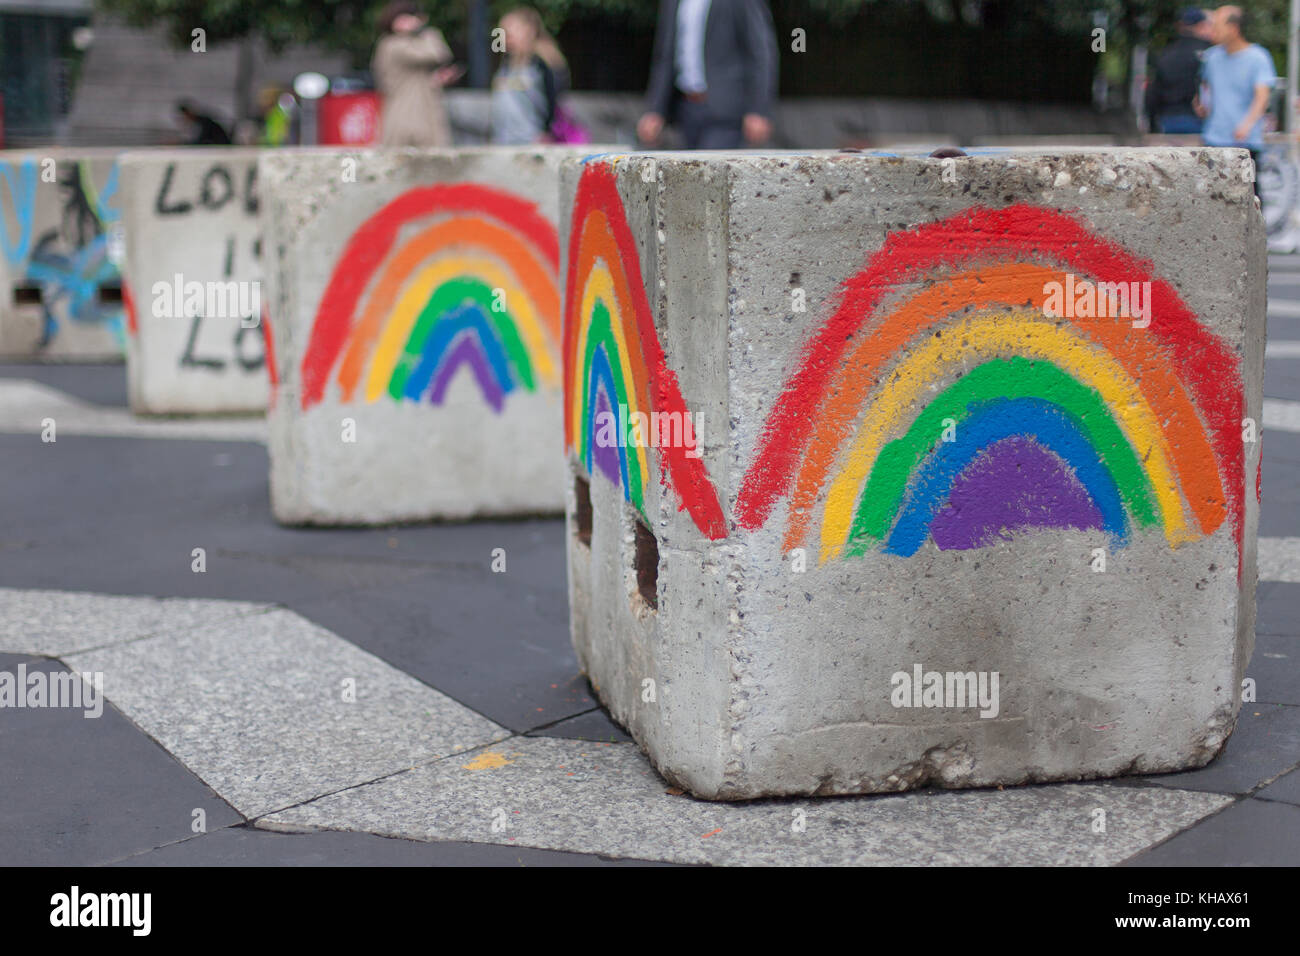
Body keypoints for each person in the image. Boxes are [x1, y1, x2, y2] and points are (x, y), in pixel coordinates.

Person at [637, 0, 779, 149]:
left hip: (725, 112)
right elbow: (664, 55)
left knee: (710, 169)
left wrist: (758, 109)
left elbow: (760, 53)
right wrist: (655, 110)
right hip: (685, 109)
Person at [1197, 5, 1277, 195]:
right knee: (1213, 196)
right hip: (1214, 138)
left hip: (1245, 142)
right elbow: (1205, 88)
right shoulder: (1212, 58)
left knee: (1249, 196)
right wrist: (1201, 105)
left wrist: (1247, 125)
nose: (1212, 30)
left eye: (1217, 26)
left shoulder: (1258, 58)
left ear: (1233, 28)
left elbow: (1262, 96)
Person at [372, 0, 463, 147]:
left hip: (423, 109)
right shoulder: (391, 44)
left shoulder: (409, 42)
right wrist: (428, 31)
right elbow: (437, 53)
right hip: (404, 112)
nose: (407, 22)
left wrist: (437, 79)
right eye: (403, 17)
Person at [490, 7, 560, 145]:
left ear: (529, 32)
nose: (505, 39)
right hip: (503, 140)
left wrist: (546, 131)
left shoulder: (540, 66)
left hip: (531, 140)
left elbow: (553, 102)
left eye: (510, 34)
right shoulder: (505, 66)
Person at [1145, 8, 1212, 134]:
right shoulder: (1210, 53)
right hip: (1200, 120)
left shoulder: (1166, 53)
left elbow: (1153, 92)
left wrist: (1152, 123)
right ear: (1201, 25)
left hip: (1168, 118)